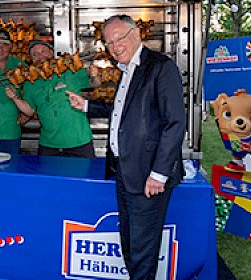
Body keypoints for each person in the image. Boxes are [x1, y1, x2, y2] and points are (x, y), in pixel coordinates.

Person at [66, 14, 185, 280]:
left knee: (143, 246)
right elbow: (122, 111)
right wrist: (86, 105)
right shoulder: (126, 69)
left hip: (148, 174)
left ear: (136, 34)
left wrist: (159, 174)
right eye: (109, 42)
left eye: (119, 38)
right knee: (130, 241)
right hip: (125, 171)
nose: (114, 46)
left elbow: (175, 123)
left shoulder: (160, 67)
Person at [4, 40, 95, 158]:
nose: (39, 57)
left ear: (51, 53)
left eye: (43, 52)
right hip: (49, 144)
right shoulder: (31, 82)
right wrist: (15, 98)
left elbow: (94, 84)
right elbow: (29, 111)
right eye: (35, 55)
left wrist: (94, 76)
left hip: (79, 141)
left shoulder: (70, 72)